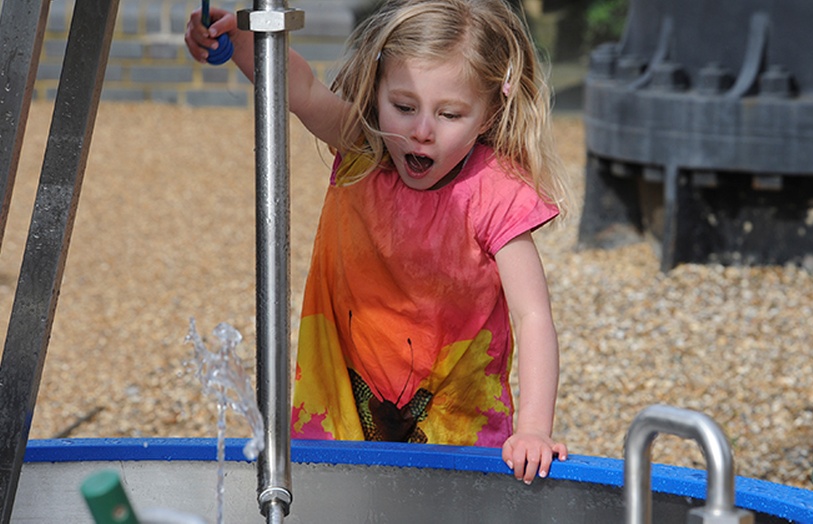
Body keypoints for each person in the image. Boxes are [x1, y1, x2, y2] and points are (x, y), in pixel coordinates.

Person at [186, 0, 570, 485]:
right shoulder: (363, 146)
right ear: (377, 92)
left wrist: (535, 428)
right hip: (342, 411)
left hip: (455, 430)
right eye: (404, 106)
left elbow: (533, 315)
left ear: (490, 115)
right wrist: (240, 38)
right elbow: (299, 88)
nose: (421, 132)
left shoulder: (495, 195)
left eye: (450, 114)